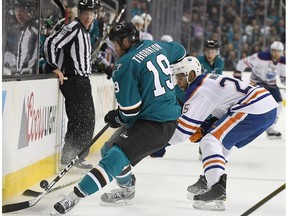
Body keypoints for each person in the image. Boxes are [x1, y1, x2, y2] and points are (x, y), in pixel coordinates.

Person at [52, 21, 186, 214]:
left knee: (115, 156)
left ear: (125, 41)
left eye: (115, 44)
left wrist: (117, 117)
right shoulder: (157, 45)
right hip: (159, 118)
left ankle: (74, 197)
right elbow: (180, 51)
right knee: (108, 148)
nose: (114, 48)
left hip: (156, 124)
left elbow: (130, 112)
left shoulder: (125, 64)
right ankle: (127, 188)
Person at [168, 56, 278, 211]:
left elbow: (182, 132)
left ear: (191, 75)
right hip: (265, 107)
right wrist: (207, 124)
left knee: (210, 141)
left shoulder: (200, 90)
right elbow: (222, 107)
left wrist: (156, 143)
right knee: (222, 142)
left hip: (254, 106)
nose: (177, 82)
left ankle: (216, 189)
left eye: (179, 77)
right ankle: (209, 180)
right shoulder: (206, 81)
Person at [44, 0, 101, 169]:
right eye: (85, 13)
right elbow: (50, 42)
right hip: (74, 80)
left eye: (91, 13)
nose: (88, 16)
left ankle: (71, 158)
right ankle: (72, 158)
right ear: (79, 13)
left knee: (82, 120)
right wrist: (54, 67)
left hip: (82, 81)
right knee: (83, 120)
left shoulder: (84, 31)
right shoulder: (73, 28)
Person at [233, 41, 286, 138]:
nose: (276, 53)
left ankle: (270, 128)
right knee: (254, 106)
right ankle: (244, 126)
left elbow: (283, 78)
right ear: (271, 50)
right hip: (257, 83)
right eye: (274, 51)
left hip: (272, 85)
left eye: (278, 51)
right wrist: (238, 78)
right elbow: (242, 62)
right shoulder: (261, 57)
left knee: (279, 105)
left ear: (282, 52)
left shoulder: (283, 61)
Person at [12, 0, 39, 75]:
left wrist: (21, 73)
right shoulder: (25, 29)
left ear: (31, 11)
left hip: (27, 78)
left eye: (22, 10)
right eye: (16, 10)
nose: (18, 14)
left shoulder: (34, 29)